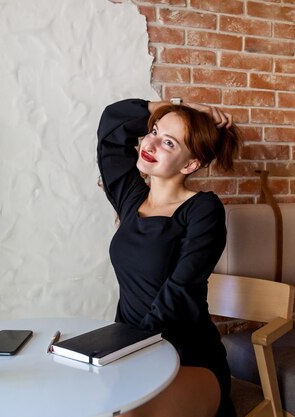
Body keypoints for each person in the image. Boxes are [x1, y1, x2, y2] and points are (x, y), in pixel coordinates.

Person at [97, 97, 240, 417]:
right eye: (154, 132)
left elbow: (181, 289)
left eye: (169, 142)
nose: (151, 143)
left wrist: (132, 350)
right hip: (132, 352)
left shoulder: (203, 210)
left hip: (189, 358)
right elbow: (110, 129)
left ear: (190, 165)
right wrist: (178, 105)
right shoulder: (131, 199)